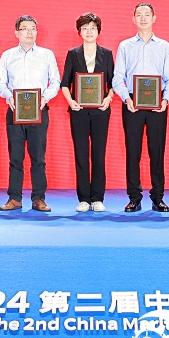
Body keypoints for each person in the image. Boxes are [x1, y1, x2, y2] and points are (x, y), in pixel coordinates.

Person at [113, 2, 169, 212]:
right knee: (133, 151)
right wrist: (126, 98)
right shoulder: (125, 46)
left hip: (158, 103)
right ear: (133, 19)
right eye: (139, 15)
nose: (143, 18)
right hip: (132, 102)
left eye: (147, 14)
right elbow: (117, 77)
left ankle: (158, 197)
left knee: (157, 151)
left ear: (154, 18)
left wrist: (165, 100)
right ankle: (134, 197)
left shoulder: (164, 46)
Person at [0, 15, 61, 212]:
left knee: (38, 158)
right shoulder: (7, 56)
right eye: (24, 28)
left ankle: (39, 198)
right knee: (15, 158)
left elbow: (55, 82)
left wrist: (44, 98)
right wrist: (9, 96)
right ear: (16, 33)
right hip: (15, 112)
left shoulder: (46, 55)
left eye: (33, 28)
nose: (29, 32)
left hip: (39, 112)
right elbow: (0, 83)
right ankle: (14, 198)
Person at [61, 13, 115, 213]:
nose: (89, 31)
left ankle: (98, 198)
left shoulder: (107, 54)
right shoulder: (73, 54)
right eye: (85, 28)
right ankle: (84, 198)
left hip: (101, 112)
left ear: (98, 31)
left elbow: (113, 82)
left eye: (92, 27)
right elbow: (65, 83)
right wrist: (71, 101)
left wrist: (108, 98)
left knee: (99, 154)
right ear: (79, 32)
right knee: (81, 154)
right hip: (79, 112)